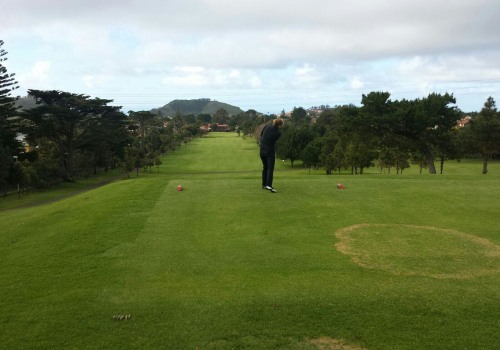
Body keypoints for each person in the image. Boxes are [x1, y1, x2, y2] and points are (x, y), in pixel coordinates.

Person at [259, 118, 284, 193]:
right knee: (270, 168)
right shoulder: (278, 133)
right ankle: (268, 185)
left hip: (262, 150)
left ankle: (264, 184)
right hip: (270, 152)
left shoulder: (266, 127)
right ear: (279, 125)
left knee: (265, 167)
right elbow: (273, 140)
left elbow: (261, 135)